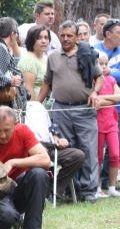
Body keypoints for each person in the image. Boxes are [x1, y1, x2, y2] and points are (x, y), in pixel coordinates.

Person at [37, 20, 103, 203]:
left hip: (84, 108)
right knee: (67, 149)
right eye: (62, 35)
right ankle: (71, 189)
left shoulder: (87, 53)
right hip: (61, 108)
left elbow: (99, 77)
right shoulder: (53, 56)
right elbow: (47, 83)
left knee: (88, 149)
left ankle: (89, 191)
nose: (65, 39)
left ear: (76, 37)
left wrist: (95, 92)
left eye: (69, 36)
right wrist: (35, 105)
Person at [24, 101, 85, 201]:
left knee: (78, 155)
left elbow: (51, 129)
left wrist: (58, 139)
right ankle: (43, 192)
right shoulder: (15, 109)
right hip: (32, 147)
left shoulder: (39, 106)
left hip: (50, 146)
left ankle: (52, 190)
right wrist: (35, 146)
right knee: (40, 162)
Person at [0, 17, 27, 119]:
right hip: (1, 108)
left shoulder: (3, 47)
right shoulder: (0, 47)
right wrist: (10, 81)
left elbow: (11, 66)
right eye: (16, 33)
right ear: (12, 34)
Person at [94, 53, 120, 198]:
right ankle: (97, 187)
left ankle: (111, 187)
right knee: (98, 156)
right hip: (98, 124)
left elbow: (119, 97)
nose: (103, 67)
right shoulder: (94, 81)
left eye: (106, 64)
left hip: (112, 124)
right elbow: (94, 101)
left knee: (115, 154)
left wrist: (101, 98)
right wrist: (112, 99)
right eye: (100, 64)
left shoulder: (112, 79)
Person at [18, 25, 50, 101]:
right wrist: (34, 109)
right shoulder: (28, 61)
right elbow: (28, 90)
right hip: (34, 108)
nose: (43, 41)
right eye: (39, 38)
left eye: (46, 37)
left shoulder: (45, 59)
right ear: (31, 40)